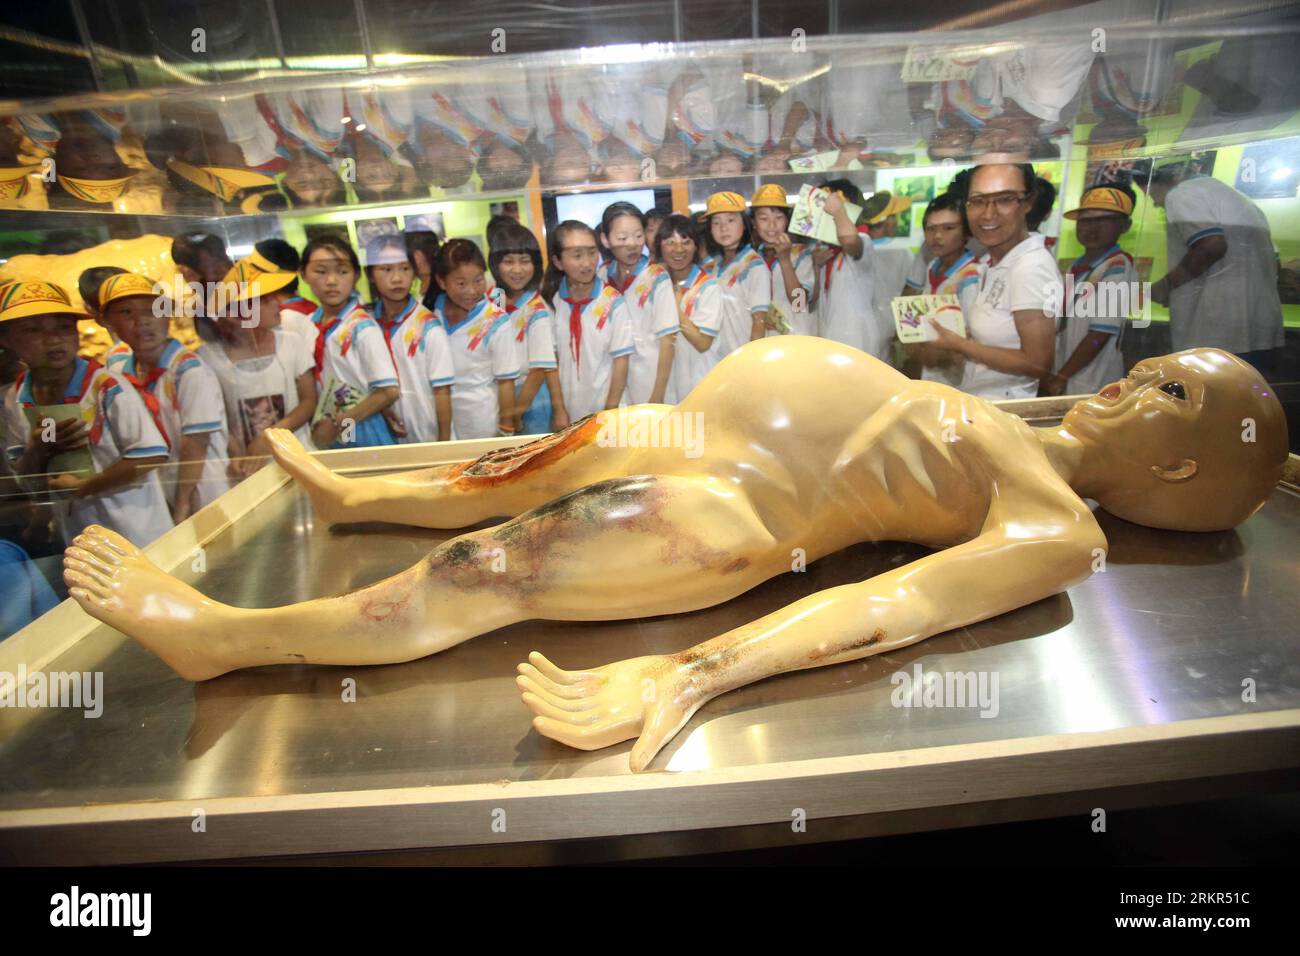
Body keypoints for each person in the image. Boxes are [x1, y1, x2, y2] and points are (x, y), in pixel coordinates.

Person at [62, 342, 1287, 776]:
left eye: (1166, 389)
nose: (1133, 376)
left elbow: (898, 602)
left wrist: (694, 670)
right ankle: (352, 495)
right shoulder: (1029, 427)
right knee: (518, 467)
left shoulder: (1055, 523)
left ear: (1178, 471)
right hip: (709, 424)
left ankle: (218, 634)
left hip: (739, 504)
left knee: (492, 567)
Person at [1, 281, 172, 547]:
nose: (53, 339)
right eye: (33, 330)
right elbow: (26, 479)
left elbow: (150, 454)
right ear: (6, 339)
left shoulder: (107, 387)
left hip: (139, 534)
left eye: (64, 327)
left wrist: (87, 486)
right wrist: (39, 449)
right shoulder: (17, 396)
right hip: (81, 537)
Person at [97, 273, 231, 522]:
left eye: (153, 309)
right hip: (157, 496)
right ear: (107, 322)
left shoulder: (188, 370)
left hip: (201, 492)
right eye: (126, 313)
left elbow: (196, 442)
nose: (142, 321)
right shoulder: (117, 373)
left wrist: (182, 506)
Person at [925, 162, 1060, 400]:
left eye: (1005, 199)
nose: (988, 213)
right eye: (977, 201)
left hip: (1006, 410)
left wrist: (960, 345)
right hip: (982, 404)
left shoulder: (1030, 267)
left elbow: (1039, 364)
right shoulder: (992, 262)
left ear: (1028, 202)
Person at [1143, 163, 1284, 375]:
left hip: (1217, 336)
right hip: (1262, 331)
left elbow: (1211, 245)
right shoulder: (1241, 200)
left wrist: (1165, 287)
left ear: (1155, 184)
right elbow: (1276, 263)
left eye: (1155, 200)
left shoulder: (1181, 195)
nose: (1158, 204)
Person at [197, 255, 317, 479]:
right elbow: (217, 414)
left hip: (299, 459)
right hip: (248, 469)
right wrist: (236, 454)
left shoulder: (291, 342)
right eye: (265, 299)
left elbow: (309, 401)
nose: (277, 303)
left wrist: (270, 436)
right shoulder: (209, 357)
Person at [300, 235, 400, 449]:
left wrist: (340, 423)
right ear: (303, 274)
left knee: (364, 478)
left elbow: (388, 391)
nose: (331, 281)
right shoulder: (308, 325)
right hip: (328, 427)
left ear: (356, 276)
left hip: (360, 424)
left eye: (342, 271)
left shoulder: (361, 328)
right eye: (320, 271)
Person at [1042, 185, 1137, 397]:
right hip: (1067, 376)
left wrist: (1061, 377)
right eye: (1085, 220)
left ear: (1125, 226)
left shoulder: (1117, 266)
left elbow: (1100, 332)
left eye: (1105, 220)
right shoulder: (1077, 265)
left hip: (1092, 382)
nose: (1092, 227)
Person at [365, 235, 455, 444]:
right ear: (370, 274)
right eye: (386, 269)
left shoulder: (428, 327)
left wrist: (443, 445)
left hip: (427, 437)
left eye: (405, 269)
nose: (397, 278)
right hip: (383, 439)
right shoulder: (366, 325)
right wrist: (385, 410)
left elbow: (442, 392)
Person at [543, 221, 633, 421]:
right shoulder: (552, 302)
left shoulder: (613, 302)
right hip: (569, 411)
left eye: (592, 253)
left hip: (609, 410)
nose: (587, 263)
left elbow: (621, 363)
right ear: (558, 261)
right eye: (577, 255)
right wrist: (559, 410)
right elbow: (552, 362)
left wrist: (609, 413)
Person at [432, 239, 519, 439]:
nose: (471, 291)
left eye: (479, 280)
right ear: (442, 281)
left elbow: (506, 381)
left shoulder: (496, 321)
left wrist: (506, 429)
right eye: (461, 283)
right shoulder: (432, 314)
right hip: (441, 421)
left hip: (482, 422)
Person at [901, 193, 984, 389]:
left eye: (948, 228)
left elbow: (971, 335)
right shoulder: (932, 267)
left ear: (966, 233)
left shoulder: (971, 276)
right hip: (933, 372)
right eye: (931, 229)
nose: (937, 236)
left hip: (958, 378)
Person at [489, 222, 565, 435]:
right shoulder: (493, 299)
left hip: (530, 398)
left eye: (525, 261)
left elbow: (539, 371)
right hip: (501, 394)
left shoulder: (537, 308)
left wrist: (514, 413)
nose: (517, 270)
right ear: (495, 264)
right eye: (508, 262)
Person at [599, 202, 678, 404]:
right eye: (622, 238)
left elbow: (668, 340)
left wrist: (658, 395)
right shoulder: (601, 275)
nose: (632, 244)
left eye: (638, 235)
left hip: (650, 379)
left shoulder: (656, 277)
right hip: (612, 379)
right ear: (605, 240)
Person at [657, 214, 723, 400]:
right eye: (670, 242)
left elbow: (702, 343)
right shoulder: (654, 282)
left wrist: (673, 304)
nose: (678, 249)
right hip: (668, 387)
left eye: (686, 242)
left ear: (696, 246)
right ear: (659, 246)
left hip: (700, 385)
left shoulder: (708, 286)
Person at [812, 179, 878, 355]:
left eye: (828, 208)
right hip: (828, 343)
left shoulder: (863, 240)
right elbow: (802, 303)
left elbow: (849, 240)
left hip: (856, 343)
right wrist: (816, 269)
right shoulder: (821, 251)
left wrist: (839, 212)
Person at [700, 192, 770, 353]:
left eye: (731, 220)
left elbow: (759, 321)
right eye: (716, 223)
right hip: (718, 360)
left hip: (742, 358)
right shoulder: (714, 266)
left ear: (744, 224)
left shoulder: (754, 266)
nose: (723, 228)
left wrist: (752, 360)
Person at [749, 184, 816, 336]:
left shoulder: (801, 254)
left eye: (779, 217)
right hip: (762, 342)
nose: (772, 225)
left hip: (795, 341)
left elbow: (799, 304)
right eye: (764, 218)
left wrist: (785, 261)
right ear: (754, 223)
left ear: (787, 221)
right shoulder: (751, 259)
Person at [862, 190, 915, 365]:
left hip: (860, 329)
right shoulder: (903, 252)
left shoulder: (858, 252)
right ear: (888, 222)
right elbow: (912, 294)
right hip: (892, 330)